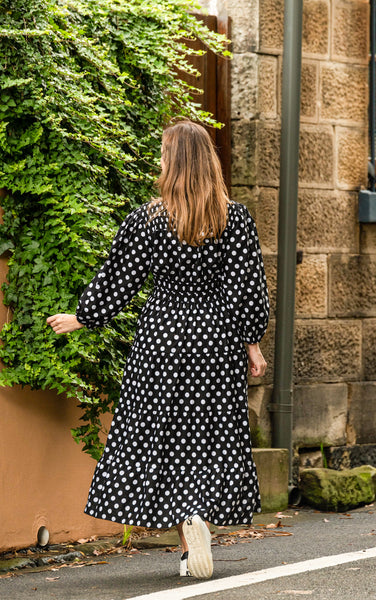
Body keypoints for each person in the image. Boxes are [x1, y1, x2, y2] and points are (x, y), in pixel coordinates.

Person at [47, 120, 269, 580]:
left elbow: (119, 276)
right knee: (210, 438)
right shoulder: (235, 219)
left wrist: (83, 317)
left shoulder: (148, 218)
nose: (160, 161)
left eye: (164, 153)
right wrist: (251, 343)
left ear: (176, 162)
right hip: (215, 341)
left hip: (161, 341)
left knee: (161, 438)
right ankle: (196, 527)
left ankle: (187, 532)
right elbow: (246, 290)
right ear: (207, 160)